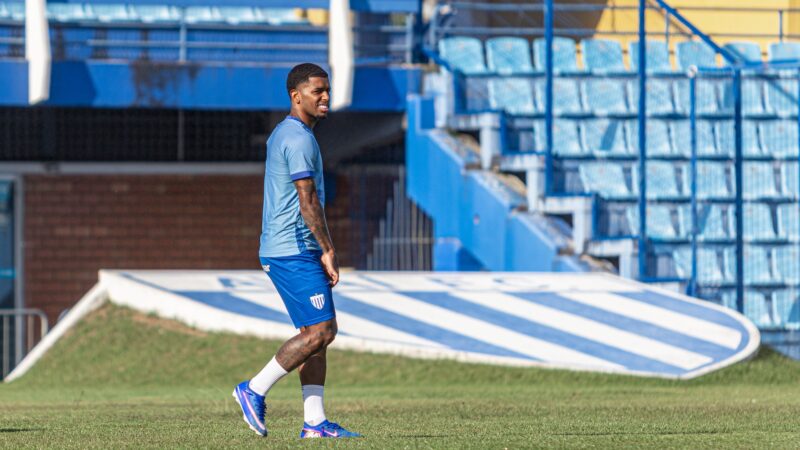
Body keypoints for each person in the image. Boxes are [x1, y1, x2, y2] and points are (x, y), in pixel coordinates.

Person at [232, 63, 360, 439]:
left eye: (327, 90)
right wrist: (328, 249)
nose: (325, 97)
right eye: (317, 91)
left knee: (316, 333)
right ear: (296, 95)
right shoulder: (299, 138)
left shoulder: (288, 133)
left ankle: (315, 423)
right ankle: (253, 389)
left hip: (287, 247)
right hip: (293, 249)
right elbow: (307, 200)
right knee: (321, 331)